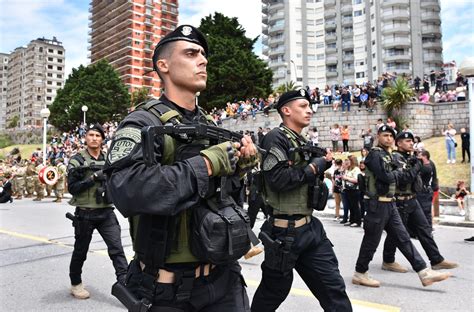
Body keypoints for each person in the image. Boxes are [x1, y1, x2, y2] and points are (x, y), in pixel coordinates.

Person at [104, 25, 257, 311]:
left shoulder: (210, 126)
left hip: (225, 279)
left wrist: (238, 170)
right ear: (163, 65)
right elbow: (127, 190)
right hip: (167, 291)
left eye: (203, 54)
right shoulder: (142, 123)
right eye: (190, 53)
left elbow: (220, 200)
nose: (203, 60)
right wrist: (208, 164)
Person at [251, 89, 352, 312]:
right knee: (273, 291)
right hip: (284, 233)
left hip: (310, 229)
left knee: (334, 289)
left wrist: (321, 164)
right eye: (303, 106)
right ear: (286, 111)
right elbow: (278, 180)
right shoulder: (275, 138)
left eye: (309, 106)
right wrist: (315, 166)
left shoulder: (301, 140)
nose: (309, 111)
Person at [352, 125, 451, 288]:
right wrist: (399, 174)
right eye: (385, 135)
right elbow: (387, 177)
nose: (389, 139)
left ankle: (423, 272)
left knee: (404, 238)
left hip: (389, 203)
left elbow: (396, 176)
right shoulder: (375, 154)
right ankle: (360, 273)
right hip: (377, 204)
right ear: (378, 136)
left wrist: (401, 172)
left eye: (391, 136)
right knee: (371, 241)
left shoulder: (387, 155)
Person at [381, 132, 458, 274]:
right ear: (399, 143)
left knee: (424, 229)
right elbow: (404, 178)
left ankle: (436, 260)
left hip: (413, 199)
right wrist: (417, 165)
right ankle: (388, 260)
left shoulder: (410, 157)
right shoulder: (395, 158)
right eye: (408, 141)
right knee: (396, 234)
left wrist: (416, 164)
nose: (411, 143)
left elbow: (419, 174)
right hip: (400, 201)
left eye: (412, 141)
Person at [67, 123, 128, 299]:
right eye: (91, 135)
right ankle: (76, 284)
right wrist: (93, 178)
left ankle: (125, 284)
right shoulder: (77, 160)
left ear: (102, 139)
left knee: (117, 249)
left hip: (106, 212)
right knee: (81, 251)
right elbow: (72, 188)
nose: (94, 138)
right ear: (85, 138)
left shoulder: (109, 159)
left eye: (97, 135)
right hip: (85, 213)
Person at [416, 150, 439, 229]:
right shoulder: (430, 164)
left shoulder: (426, 167)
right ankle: (428, 227)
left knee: (426, 210)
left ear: (425, 156)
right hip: (430, 189)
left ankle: (428, 228)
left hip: (426, 190)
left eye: (420, 156)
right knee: (428, 209)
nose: (418, 158)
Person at [342, 156, 361, 227]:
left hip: (354, 189)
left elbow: (356, 180)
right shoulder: (348, 169)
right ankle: (351, 220)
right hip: (348, 189)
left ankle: (357, 221)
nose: (347, 162)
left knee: (355, 206)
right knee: (350, 206)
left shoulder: (356, 169)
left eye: (349, 161)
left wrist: (347, 178)